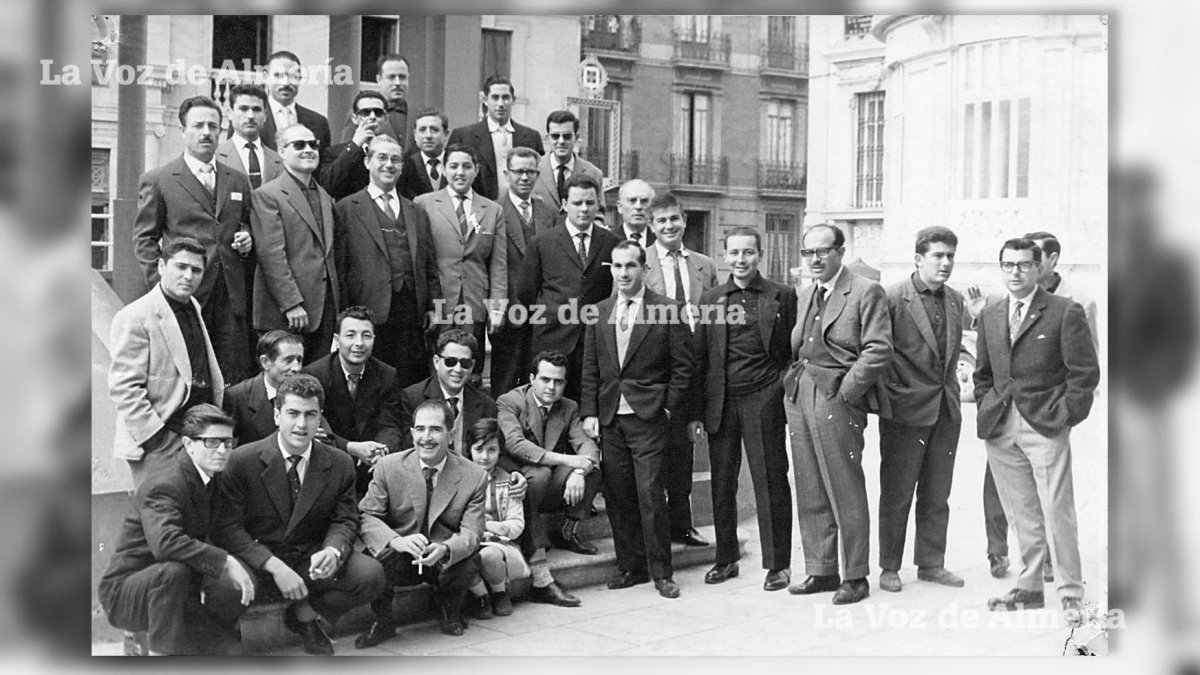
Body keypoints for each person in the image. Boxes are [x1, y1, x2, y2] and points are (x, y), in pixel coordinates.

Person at [210, 374, 386, 655]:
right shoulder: (242, 461)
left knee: (371, 576)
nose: (301, 424)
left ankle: (304, 616)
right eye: (293, 413)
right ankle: (226, 644)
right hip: (259, 563)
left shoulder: (340, 463)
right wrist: (274, 567)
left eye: (310, 415)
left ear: (320, 418)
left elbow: (344, 519)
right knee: (226, 585)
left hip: (309, 561)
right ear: (277, 415)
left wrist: (332, 551)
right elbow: (229, 528)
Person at [973, 238, 1099, 625]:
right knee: (1020, 511)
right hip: (1000, 425)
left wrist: (1065, 416)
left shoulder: (1064, 311)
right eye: (1008, 265)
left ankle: (1070, 592)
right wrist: (987, 405)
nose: (1016, 272)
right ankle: (1029, 587)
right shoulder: (991, 312)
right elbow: (983, 373)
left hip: (1045, 424)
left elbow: (1084, 373)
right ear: (1001, 268)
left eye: (1024, 265)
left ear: (1038, 268)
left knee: (1056, 509)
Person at [782, 224, 892, 605]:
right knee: (809, 484)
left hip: (837, 397)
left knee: (844, 486)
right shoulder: (806, 293)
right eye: (808, 252)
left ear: (840, 252)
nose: (814, 259)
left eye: (822, 251)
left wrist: (847, 392)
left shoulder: (865, 290)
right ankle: (821, 569)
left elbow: (878, 349)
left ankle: (856, 576)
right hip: (801, 393)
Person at [581, 241, 694, 599]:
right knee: (619, 495)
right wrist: (589, 412)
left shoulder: (668, 310)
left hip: (649, 416)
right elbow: (591, 367)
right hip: (610, 417)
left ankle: (662, 572)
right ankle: (631, 566)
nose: (623, 273)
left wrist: (667, 408)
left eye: (630, 265)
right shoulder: (599, 311)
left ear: (644, 269)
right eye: (617, 266)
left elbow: (683, 368)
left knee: (650, 494)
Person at [98, 405, 255, 655]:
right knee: (173, 572)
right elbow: (165, 543)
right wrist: (225, 561)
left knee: (232, 653)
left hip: (178, 592)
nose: (222, 450)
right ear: (188, 444)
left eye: (228, 442)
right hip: (127, 593)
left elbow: (225, 527)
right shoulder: (166, 482)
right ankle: (158, 650)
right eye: (212, 442)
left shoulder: (211, 476)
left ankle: (179, 636)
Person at [692, 227, 796, 591]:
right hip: (721, 403)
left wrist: (777, 390)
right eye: (734, 253)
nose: (741, 260)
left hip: (764, 399)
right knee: (722, 483)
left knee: (771, 481)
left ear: (759, 255)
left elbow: (792, 352)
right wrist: (697, 412)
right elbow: (700, 356)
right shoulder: (711, 299)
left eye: (748, 252)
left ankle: (778, 565)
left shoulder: (782, 295)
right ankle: (726, 559)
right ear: (724, 256)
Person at [132, 95, 255, 384]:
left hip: (231, 296)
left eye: (213, 126)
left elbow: (248, 223)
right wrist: (163, 285)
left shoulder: (237, 180)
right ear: (182, 130)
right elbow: (144, 239)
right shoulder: (160, 179)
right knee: (189, 374)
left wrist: (248, 238)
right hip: (187, 293)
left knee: (233, 376)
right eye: (198, 125)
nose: (206, 132)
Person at [876, 226, 967, 593]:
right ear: (918, 259)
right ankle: (889, 567)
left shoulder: (955, 299)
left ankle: (931, 563)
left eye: (950, 256)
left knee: (937, 492)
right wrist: (895, 395)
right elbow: (877, 352)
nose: (945, 263)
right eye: (938, 256)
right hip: (904, 412)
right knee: (897, 493)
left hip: (946, 410)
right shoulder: (892, 298)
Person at [355, 399, 488, 645]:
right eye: (420, 429)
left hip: (442, 555)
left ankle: (448, 610)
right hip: (401, 551)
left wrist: (446, 548)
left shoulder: (474, 476)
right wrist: (395, 541)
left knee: (468, 559)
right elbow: (367, 515)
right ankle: (384, 622)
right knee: (373, 561)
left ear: (450, 434)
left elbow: (472, 531)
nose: (426, 438)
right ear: (412, 432)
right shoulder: (388, 466)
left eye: (435, 429)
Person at [110, 238, 225, 485]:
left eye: (196, 270)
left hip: (195, 435)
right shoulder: (134, 316)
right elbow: (124, 388)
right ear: (161, 267)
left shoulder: (192, 305)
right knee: (158, 506)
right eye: (181, 267)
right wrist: (156, 438)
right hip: (160, 441)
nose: (188, 276)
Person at [334, 133, 441, 387]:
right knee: (373, 381)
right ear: (367, 162)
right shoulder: (346, 208)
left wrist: (433, 306)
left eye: (395, 160)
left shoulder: (416, 210)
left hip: (411, 313)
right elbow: (340, 267)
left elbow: (429, 264)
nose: (389, 165)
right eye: (381, 158)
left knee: (410, 380)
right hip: (368, 311)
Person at [644, 193, 719, 548]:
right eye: (661, 221)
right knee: (652, 451)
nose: (669, 226)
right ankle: (654, 527)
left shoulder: (704, 265)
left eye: (674, 219)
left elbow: (713, 315)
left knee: (682, 449)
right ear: (651, 225)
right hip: (655, 365)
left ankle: (682, 523)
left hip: (692, 365)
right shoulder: (639, 262)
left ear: (685, 220)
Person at [497, 350, 599, 606]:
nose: (552, 387)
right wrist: (567, 460)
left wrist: (579, 471)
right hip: (516, 480)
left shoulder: (569, 406)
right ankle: (533, 551)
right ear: (532, 378)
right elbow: (515, 444)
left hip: (548, 481)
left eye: (558, 381)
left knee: (592, 466)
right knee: (541, 474)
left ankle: (567, 529)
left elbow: (586, 445)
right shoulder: (510, 401)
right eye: (545, 379)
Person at [519, 174, 620, 402]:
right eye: (577, 202)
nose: (584, 209)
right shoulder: (542, 242)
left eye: (590, 203)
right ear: (564, 204)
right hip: (551, 340)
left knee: (588, 404)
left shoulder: (611, 243)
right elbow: (526, 293)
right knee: (548, 404)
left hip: (594, 342)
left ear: (598, 204)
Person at [414, 142, 507, 382]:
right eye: (454, 166)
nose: (460, 172)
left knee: (470, 368)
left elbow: (498, 265)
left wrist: (497, 308)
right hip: (439, 301)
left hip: (474, 300)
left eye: (466, 166)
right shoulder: (424, 204)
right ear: (444, 169)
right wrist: (425, 304)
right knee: (438, 366)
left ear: (476, 170)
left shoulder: (492, 210)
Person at [250, 123, 339, 364]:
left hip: (324, 310)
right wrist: (291, 303)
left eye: (313, 145)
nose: (308, 150)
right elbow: (271, 255)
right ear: (281, 151)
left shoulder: (325, 196)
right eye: (299, 145)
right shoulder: (268, 195)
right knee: (284, 379)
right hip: (287, 313)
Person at [302, 307, 403, 496]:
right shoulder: (315, 375)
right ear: (336, 340)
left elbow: (390, 424)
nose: (359, 343)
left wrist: (382, 451)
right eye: (350, 335)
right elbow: (318, 431)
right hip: (328, 465)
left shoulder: (386, 375)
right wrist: (352, 448)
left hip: (371, 467)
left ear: (374, 339)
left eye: (366, 336)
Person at [491, 147, 557, 395]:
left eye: (531, 172)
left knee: (538, 379)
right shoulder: (494, 210)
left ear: (538, 174)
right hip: (509, 310)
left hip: (541, 312)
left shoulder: (548, 212)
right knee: (506, 379)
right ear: (507, 174)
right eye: (518, 171)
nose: (525, 177)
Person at [462, 419, 529, 620]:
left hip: (497, 542)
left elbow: (517, 522)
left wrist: (502, 529)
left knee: (489, 555)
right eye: (478, 449)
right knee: (461, 556)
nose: (484, 457)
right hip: (466, 539)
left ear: (500, 451)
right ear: (469, 450)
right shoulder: (459, 479)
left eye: (491, 450)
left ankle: (499, 592)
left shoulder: (507, 481)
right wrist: (488, 524)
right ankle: (481, 596)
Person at [446, 75, 545, 200]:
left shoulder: (531, 137)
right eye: (495, 97)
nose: (501, 104)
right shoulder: (464, 136)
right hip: (478, 206)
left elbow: (540, 178)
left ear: (513, 100)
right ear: (485, 100)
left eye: (506, 98)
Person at [317, 90, 387, 202]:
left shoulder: (397, 154)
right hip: (350, 210)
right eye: (365, 112)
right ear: (354, 118)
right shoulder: (333, 153)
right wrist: (355, 145)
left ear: (386, 119)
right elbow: (327, 185)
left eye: (378, 113)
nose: (372, 117)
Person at [257, 50, 331, 151]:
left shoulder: (319, 122)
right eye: (278, 75)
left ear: (299, 79)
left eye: (293, 76)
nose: (286, 83)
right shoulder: (253, 118)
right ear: (265, 77)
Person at [532, 110, 603, 213]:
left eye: (567, 136)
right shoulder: (533, 170)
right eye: (555, 136)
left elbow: (599, 213)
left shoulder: (593, 173)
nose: (561, 141)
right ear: (547, 138)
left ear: (576, 137)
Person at [337, 54, 412, 150]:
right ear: (379, 80)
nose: (397, 83)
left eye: (402, 77)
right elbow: (347, 150)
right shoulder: (362, 113)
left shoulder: (418, 115)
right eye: (391, 77)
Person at [216, 84, 283, 189]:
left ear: (265, 115)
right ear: (230, 113)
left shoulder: (278, 160)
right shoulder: (216, 156)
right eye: (243, 109)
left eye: (256, 109)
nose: (251, 116)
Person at [397, 108, 450, 202]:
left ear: (446, 134)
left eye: (435, 130)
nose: (428, 135)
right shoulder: (406, 166)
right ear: (415, 135)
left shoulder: (456, 164)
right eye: (422, 130)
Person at [615, 179, 655, 247]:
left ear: (652, 207)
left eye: (644, 201)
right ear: (620, 207)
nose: (638, 207)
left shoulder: (660, 242)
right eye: (632, 200)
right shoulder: (608, 241)